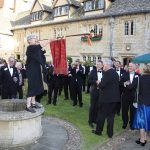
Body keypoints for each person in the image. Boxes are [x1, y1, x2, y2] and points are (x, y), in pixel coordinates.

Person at [92, 60, 120, 138]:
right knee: (111, 116)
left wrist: (98, 82)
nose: (103, 66)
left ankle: (98, 131)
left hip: (106, 99)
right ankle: (110, 133)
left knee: (101, 115)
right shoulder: (115, 73)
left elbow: (102, 85)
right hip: (114, 99)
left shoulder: (107, 73)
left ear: (108, 65)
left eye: (104, 65)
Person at [26, 34, 48, 113]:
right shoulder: (30, 48)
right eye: (34, 38)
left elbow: (40, 54)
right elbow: (40, 46)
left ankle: (33, 103)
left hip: (37, 69)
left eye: (36, 38)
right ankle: (28, 105)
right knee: (32, 86)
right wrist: (50, 40)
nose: (36, 39)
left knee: (36, 85)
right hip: (31, 70)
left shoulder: (36, 49)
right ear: (29, 41)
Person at [132, 64, 150, 146]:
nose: (138, 69)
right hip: (149, 103)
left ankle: (142, 140)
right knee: (146, 121)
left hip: (142, 103)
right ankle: (145, 138)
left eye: (139, 68)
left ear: (142, 70)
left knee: (142, 122)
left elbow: (132, 87)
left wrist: (127, 84)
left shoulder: (139, 78)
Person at [120, 62, 139, 129]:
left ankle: (132, 124)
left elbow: (136, 85)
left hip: (134, 96)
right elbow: (120, 82)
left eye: (131, 66)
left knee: (133, 111)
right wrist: (124, 83)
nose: (129, 67)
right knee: (124, 110)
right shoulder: (124, 74)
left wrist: (129, 86)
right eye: (129, 66)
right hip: (125, 95)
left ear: (134, 67)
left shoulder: (138, 75)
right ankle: (125, 123)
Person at [88, 61, 104, 128]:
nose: (98, 66)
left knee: (98, 106)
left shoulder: (104, 72)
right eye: (97, 64)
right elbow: (88, 81)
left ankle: (95, 119)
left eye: (99, 65)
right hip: (94, 91)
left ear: (102, 65)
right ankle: (90, 121)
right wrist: (95, 81)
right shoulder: (93, 71)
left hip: (101, 92)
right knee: (92, 106)